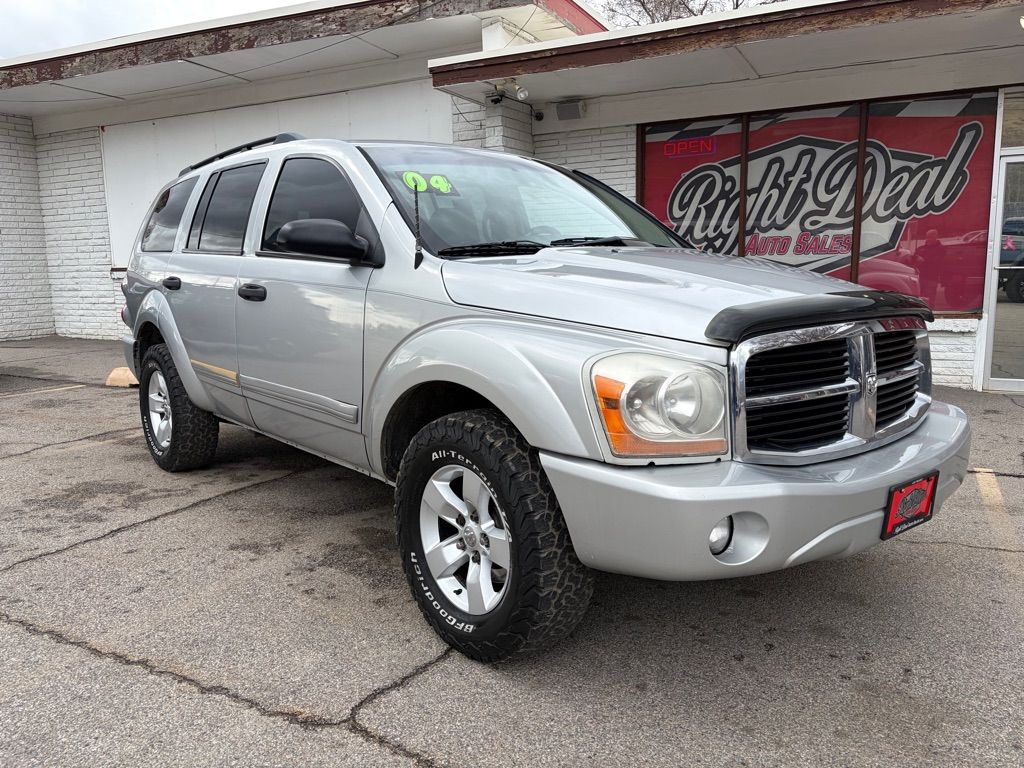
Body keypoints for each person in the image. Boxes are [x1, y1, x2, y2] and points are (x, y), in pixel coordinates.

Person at [913, 228, 946, 306]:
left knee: (930, 298)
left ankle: (929, 312)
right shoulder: (921, 248)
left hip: (932, 277)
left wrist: (923, 260)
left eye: (931, 237)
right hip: (920, 276)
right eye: (927, 236)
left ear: (936, 237)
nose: (928, 239)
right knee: (919, 297)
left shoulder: (941, 249)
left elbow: (937, 261)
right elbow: (914, 258)